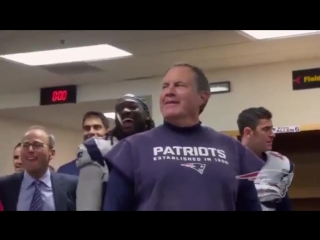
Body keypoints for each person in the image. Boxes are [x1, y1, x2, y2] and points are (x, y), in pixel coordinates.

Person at [103, 63, 264, 211]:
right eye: (165, 86)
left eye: (179, 85)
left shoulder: (233, 150)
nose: (169, 92)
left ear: (203, 96)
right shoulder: (133, 148)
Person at [76, 93, 155, 210]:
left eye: (133, 107)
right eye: (120, 109)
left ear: (147, 115)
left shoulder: (159, 147)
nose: (125, 111)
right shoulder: (97, 149)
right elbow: (88, 203)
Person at [0, 126, 77, 211]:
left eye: (37, 145)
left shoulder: (72, 185)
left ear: (51, 153)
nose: (30, 150)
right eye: (25, 145)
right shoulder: (4, 185)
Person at [237, 107, 294, 211]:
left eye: (271, 129)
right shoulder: (227, 163)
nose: (273, 134)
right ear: (248, 132)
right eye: (266, 129)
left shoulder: (280, 164)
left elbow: (282, 204)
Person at [57, 111, 110, 176]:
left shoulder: (116, 167)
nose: (91, 131)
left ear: (107, 131)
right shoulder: (65, 171)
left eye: (97, 127)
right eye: (87, 128)